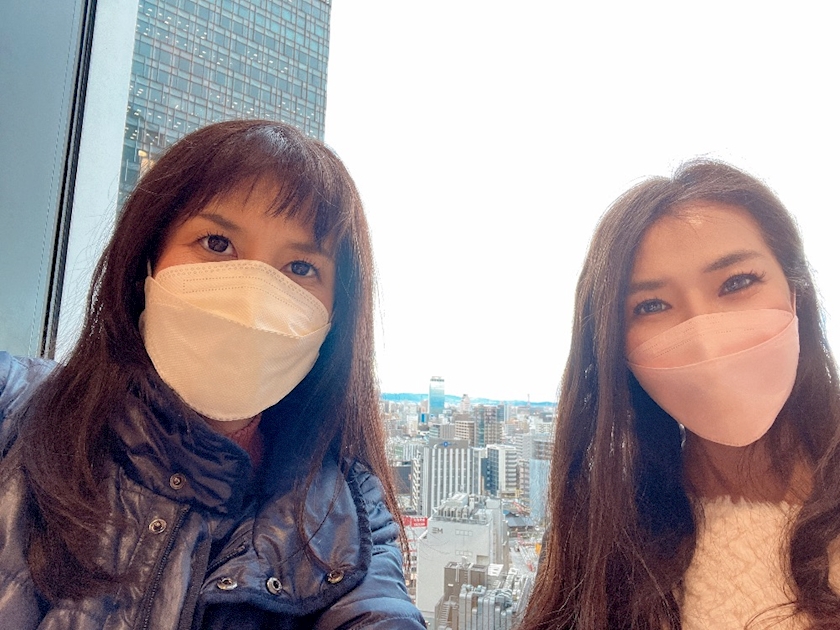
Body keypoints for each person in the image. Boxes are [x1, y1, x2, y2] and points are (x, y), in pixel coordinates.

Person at [0, 120, 425, 629]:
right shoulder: (13, 408)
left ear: (335, 316)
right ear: (147, 262)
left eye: (300, 268)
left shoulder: (349, 523)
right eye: (217, 242)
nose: (253, 298)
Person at [517, 160, 840, 629]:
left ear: (795, 293)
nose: (705, 339)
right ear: (616, 347)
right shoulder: (611, 531)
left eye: (738, 282)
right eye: (651, 306)